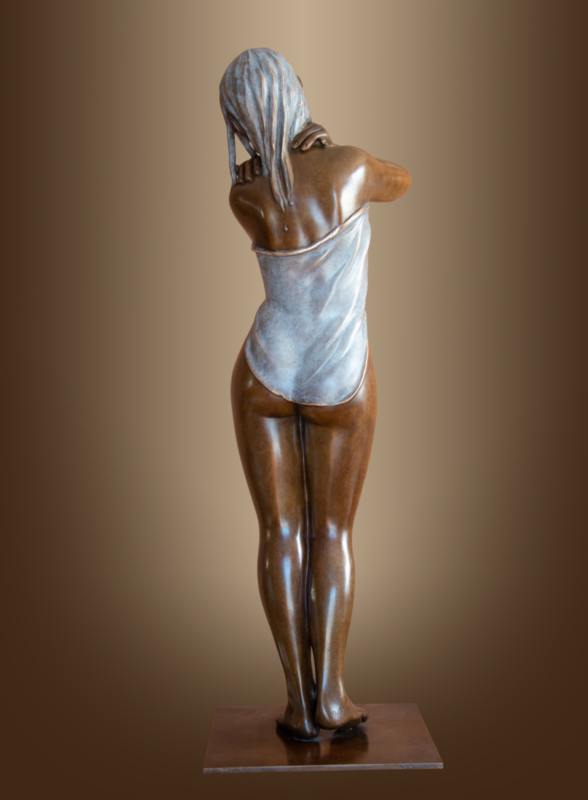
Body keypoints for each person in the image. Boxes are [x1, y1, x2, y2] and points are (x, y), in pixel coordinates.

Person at [219, 47, 410, 741]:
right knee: (331, 532)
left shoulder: (243, 196)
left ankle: (298, 705)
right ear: (293, 93)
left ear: (238, 119)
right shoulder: (350, 167)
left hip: (264, 370)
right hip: (339, 374)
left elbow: (279, 193)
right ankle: (330, 697)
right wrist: (317, 143)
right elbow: (402, 180)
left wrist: (270, 157)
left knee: (279, 532)